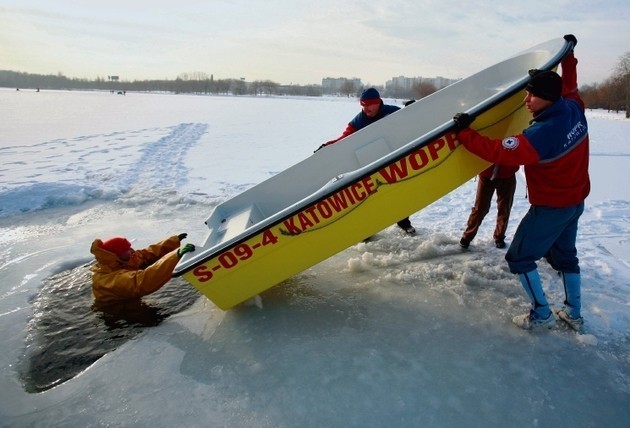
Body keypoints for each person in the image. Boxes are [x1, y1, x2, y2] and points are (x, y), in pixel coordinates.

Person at [452, 35, 589, 331]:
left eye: (532, 96)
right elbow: (571, 85)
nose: (526, 100)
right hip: (574, 202)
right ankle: (574, 313)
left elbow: (499, 151)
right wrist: (568, 56)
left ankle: (541, 314)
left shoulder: (542, 133)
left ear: (549, 98)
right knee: (566, 256)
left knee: (519, 257)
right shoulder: (574, 108)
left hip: (552, 206)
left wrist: (465, 134)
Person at [317, 88, 416, 235]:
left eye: (369, 105)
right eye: (363, 105)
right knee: (369, 198)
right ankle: (368, 230)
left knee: (397, 192)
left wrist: (412, 111)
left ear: (378, 102)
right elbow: (343, 139)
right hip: (368, 164)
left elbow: (410, 124)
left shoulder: (392, 112)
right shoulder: (358, 121)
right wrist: (327, 146)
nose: (366, 108)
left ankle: (403, 221)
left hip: (392, 160)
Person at [90, 233, 195, 303]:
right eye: (127, 250)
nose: (132, 251)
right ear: (116, 256)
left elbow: (146, 254)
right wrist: (175, 256)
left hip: (130, 299)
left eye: (130, 247)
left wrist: (172, 242)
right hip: (118, 309)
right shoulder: (110, 278)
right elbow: (142, 281)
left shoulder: (123, 260)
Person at [459, 163, 519, 249]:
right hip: (486, 174)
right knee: (480, 208)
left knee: (504, 209)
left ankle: (499, 237)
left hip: (508, 174)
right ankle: (467, 236)